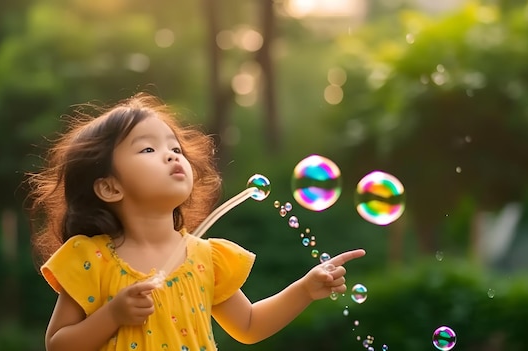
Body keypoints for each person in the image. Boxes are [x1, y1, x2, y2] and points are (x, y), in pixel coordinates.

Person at [26, 92, 366, 351]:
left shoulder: (206, 258)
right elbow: (58, 344)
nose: (173, 154)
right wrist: (112, 315)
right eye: (147, 149)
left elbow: (248, 324)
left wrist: (304, 290)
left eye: (175, 147)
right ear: (110, 186)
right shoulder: (90, 258)